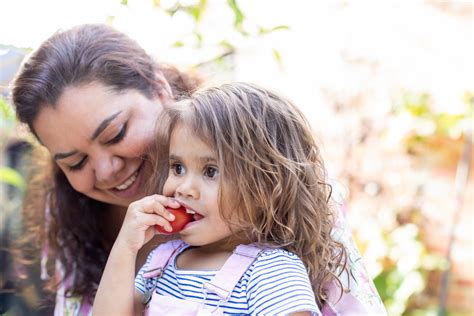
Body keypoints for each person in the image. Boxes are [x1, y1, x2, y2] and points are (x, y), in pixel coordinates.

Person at [12, 24, 385, 314]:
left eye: (116, 133)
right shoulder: (148, 254)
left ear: (158, 88)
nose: (107, 170)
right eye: (75, 162)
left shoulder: (272, 262)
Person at [93, 82, 345, 315]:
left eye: (210, 171)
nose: (184, 188)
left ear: (266, 188)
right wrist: (125, 248)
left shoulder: (272, 272)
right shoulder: (161, 262)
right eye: (178, 168)